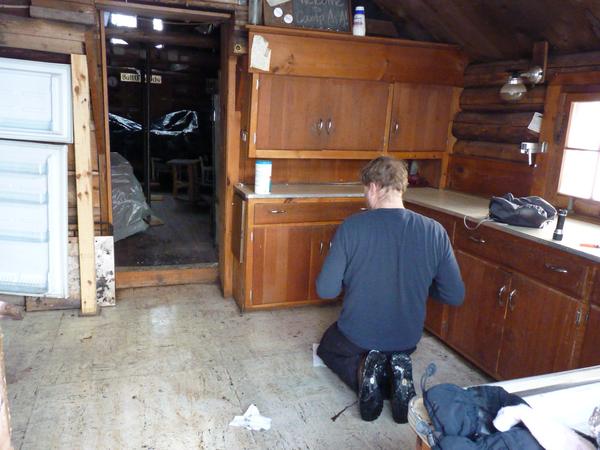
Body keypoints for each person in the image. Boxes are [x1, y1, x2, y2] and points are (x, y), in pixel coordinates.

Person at [316, 156, 465, 423]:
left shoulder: (352, 227)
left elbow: (326, 290)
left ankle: (366, 376)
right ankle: (398, 375)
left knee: (328, 347)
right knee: (390, 353)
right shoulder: (435, 231)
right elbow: (454, 295)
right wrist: (417, 284)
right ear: (401, 187)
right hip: (406, 339)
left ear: (373, 187)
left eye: (365, 190)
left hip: (357, 337)